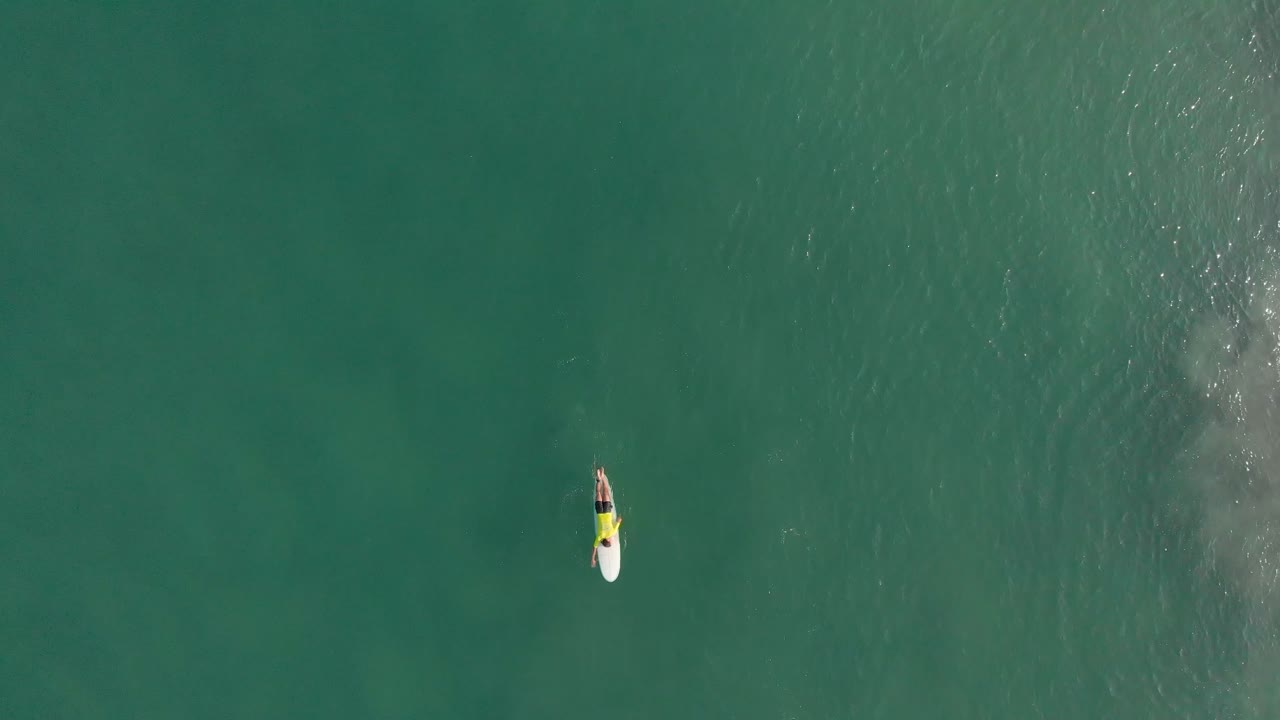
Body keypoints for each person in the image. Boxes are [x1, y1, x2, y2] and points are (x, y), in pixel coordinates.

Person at [590, 466, 623, 568]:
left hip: (607, 510)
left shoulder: (612, 532)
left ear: (608, 540)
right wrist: (593, 558)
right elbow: (594, 548)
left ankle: (602, 477)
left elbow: (619, 520)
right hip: (600, 511)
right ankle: (599, 478)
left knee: (606, 492)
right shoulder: (599, 536)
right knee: (598, 493)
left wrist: (619, 519)